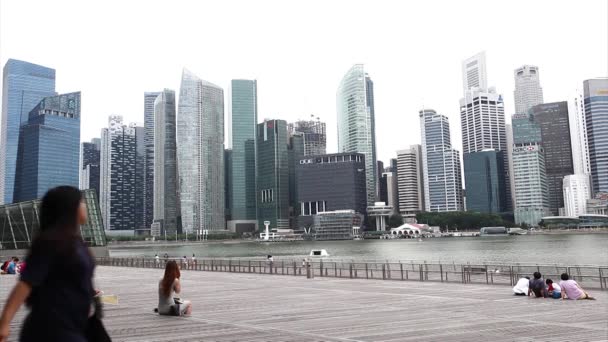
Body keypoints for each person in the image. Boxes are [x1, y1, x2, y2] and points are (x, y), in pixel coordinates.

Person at [0, 186, 97, 342]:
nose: (85, 206)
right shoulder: (50, 242)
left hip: (76, 325)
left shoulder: (76, 242)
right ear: (70, 208)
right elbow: (25, 284)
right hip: (51, 327)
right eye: (82, 202)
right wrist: (4, 323)